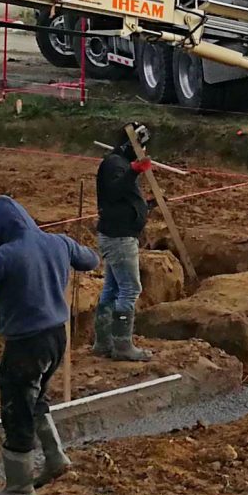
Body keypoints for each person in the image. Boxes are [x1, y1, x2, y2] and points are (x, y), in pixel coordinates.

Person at [0, 194, 98, 495]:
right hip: (57, 337)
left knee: (17, 408)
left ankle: (19, 488)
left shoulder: (5, 256)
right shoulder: (58, 242)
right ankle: (55, 457)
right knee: (36, 397)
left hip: (25, 345)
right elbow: (91, 260)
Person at [92, 130, 156, 363]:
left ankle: (103, 343)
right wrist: (134, 171)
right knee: (130, 289)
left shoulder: (117, 163)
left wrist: (147, 206)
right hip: (119, 238)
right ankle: (122, 347)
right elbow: (115, 190)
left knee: (112, 289)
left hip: (118, 234)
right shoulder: (115, 164)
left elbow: (123, 201)